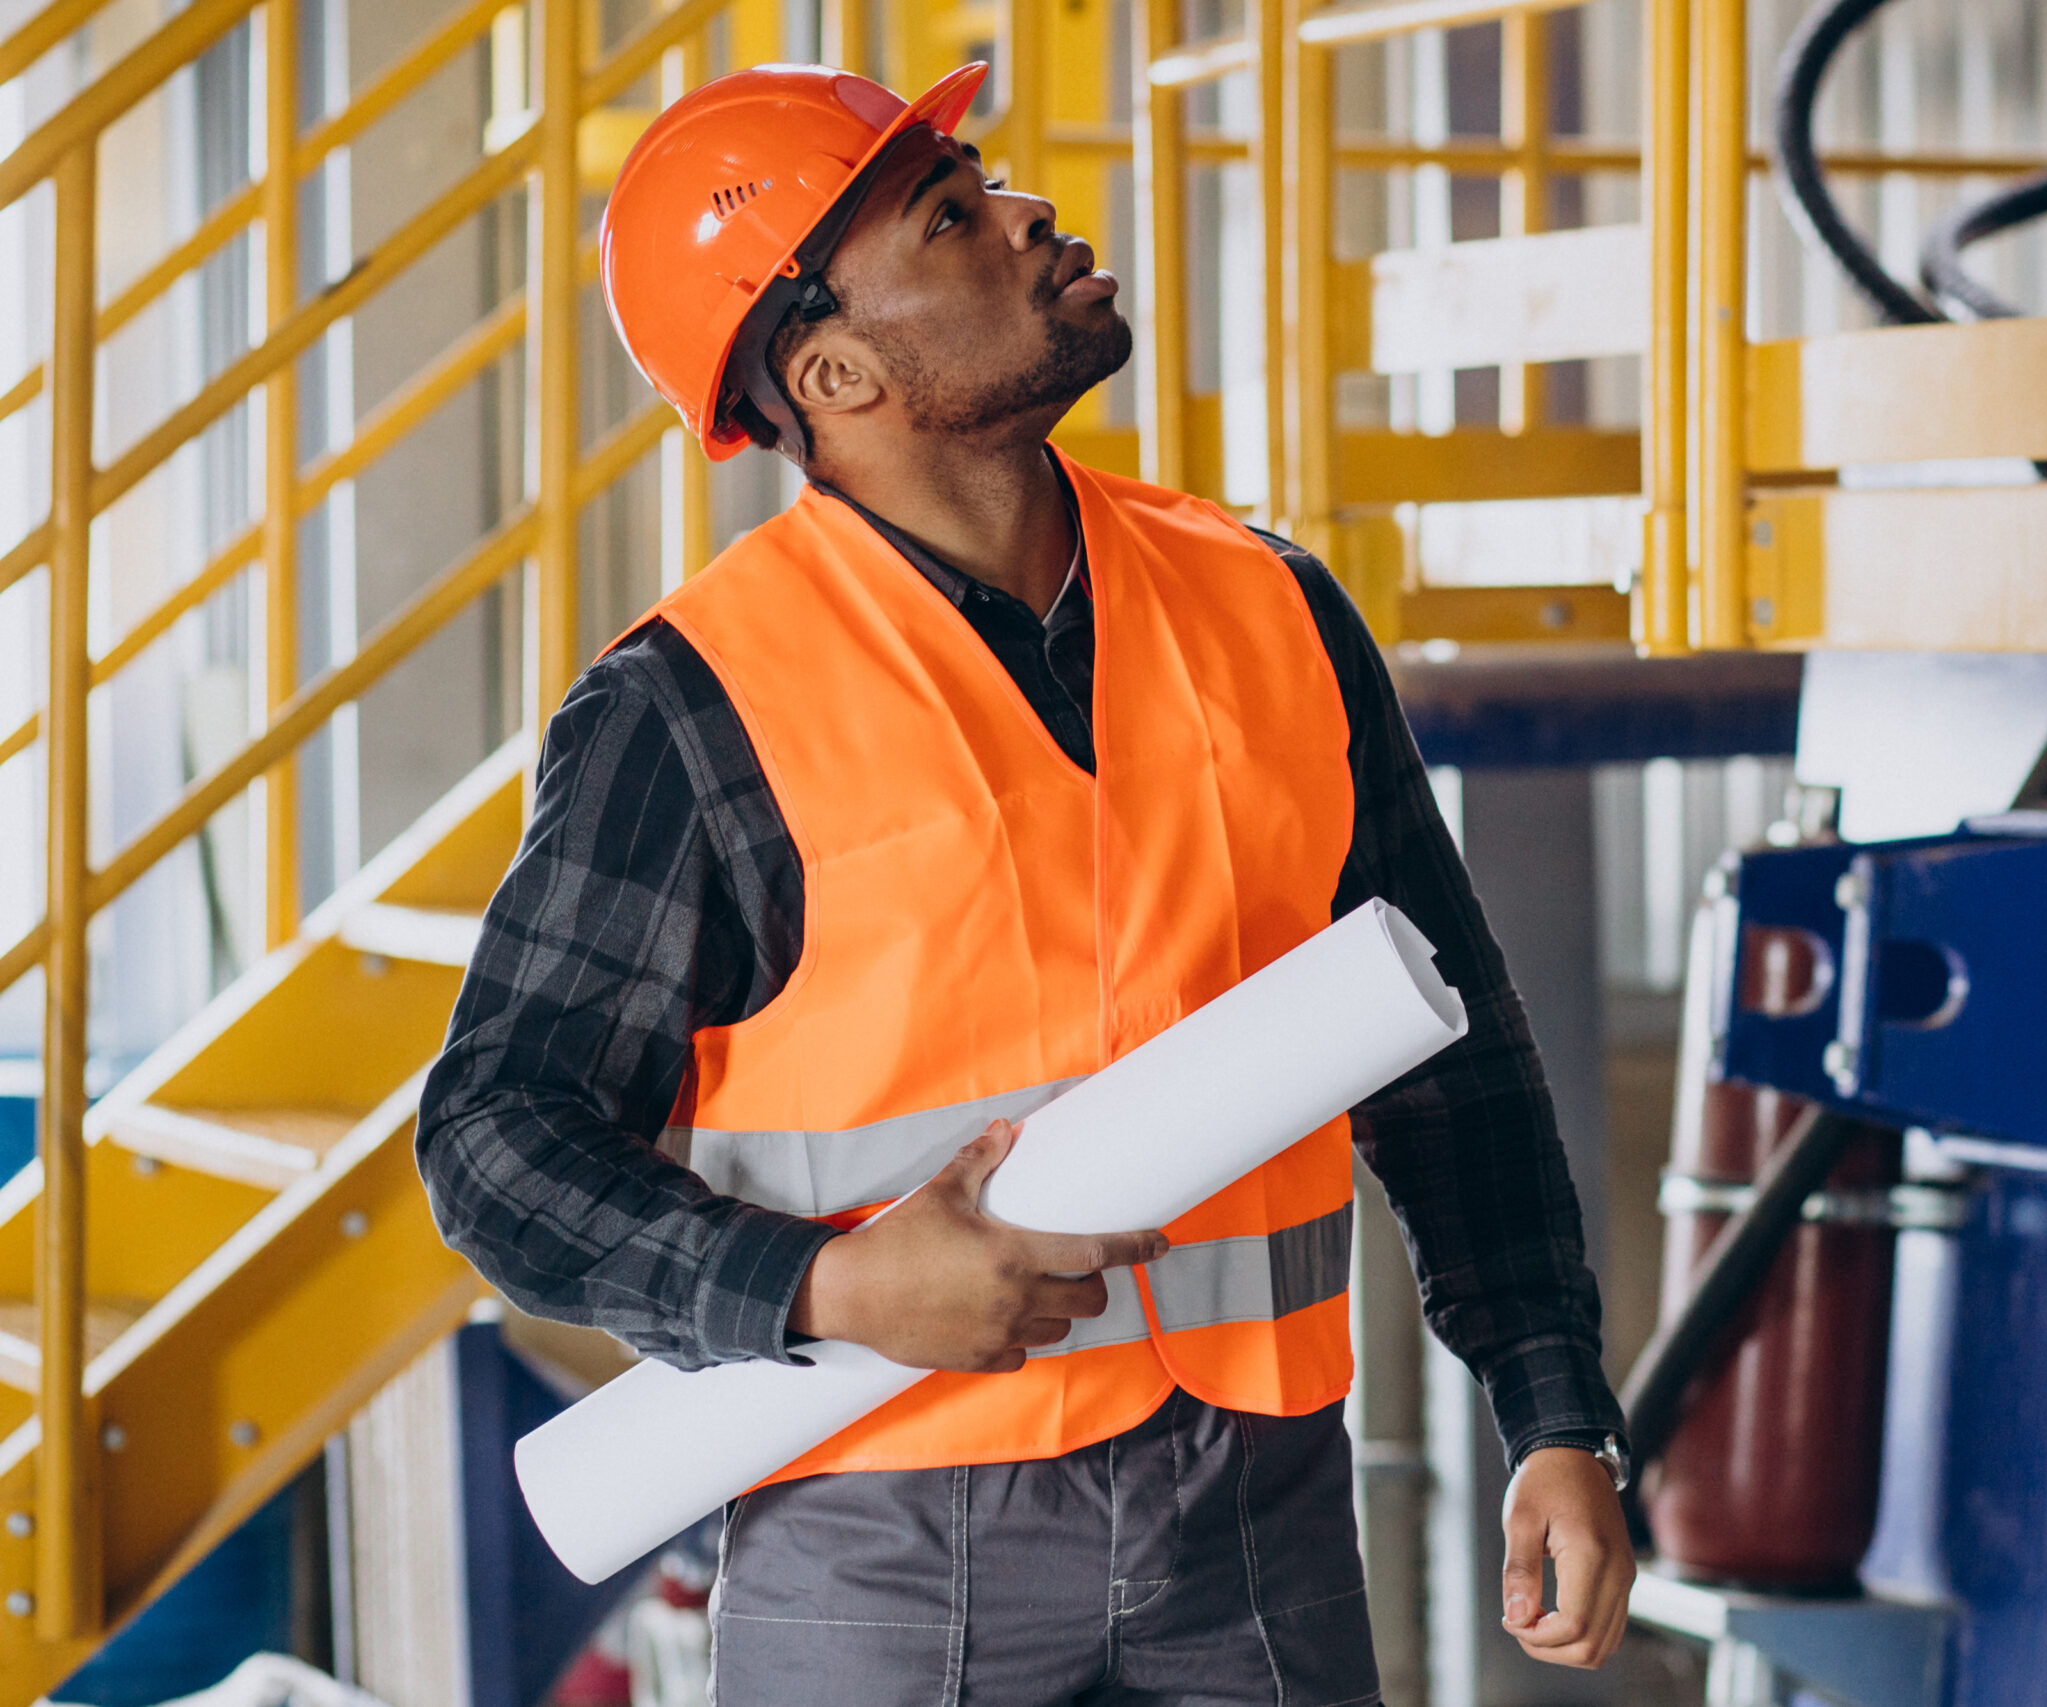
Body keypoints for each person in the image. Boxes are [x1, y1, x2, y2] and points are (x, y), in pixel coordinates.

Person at [416, 59, 1634, 1704]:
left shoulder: (1269, 605)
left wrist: (1554, 1410)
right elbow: (496, 1138)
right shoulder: (694, 707)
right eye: (950, 215)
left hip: (1256, 1526)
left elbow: (1454, 1048)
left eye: (978, 181)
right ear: (835, 367)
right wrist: (820, 1284)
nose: (1024, 213)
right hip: (883, 1529)